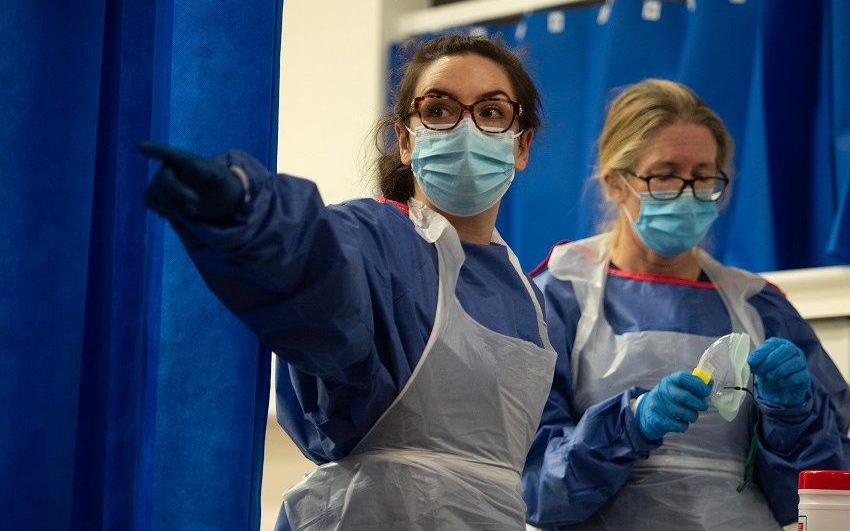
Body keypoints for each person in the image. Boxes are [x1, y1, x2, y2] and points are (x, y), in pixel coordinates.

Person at [139, 34, 557, 530]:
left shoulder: (526, 297)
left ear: (521, 145)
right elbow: (314, 270)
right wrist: (249, 211)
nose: (465, 127)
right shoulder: (376, 244)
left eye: (490, 113)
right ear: (405, 140)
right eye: (440, 110)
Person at [523, 79, 850, 530]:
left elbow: (818, 498)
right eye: (664, 174)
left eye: (703, 176)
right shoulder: (560, 296)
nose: (687, 192)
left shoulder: (759, 307)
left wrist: (791, 418)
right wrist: (629, 424)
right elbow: (537, 492)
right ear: (614, 184)